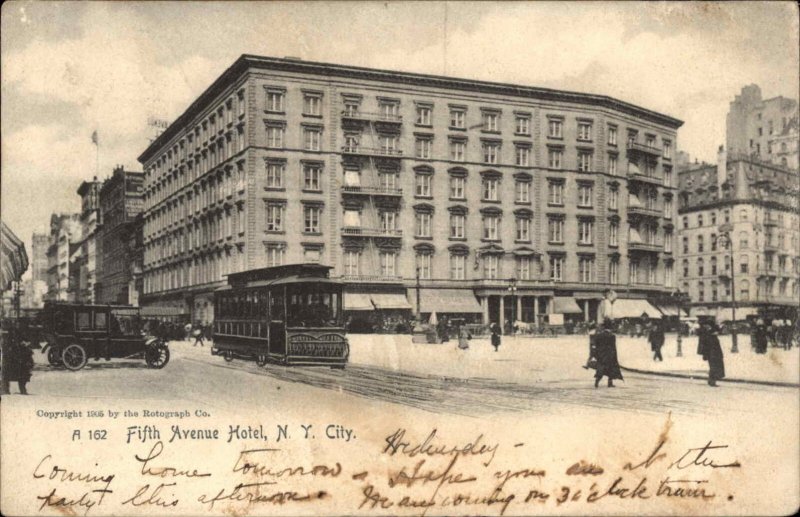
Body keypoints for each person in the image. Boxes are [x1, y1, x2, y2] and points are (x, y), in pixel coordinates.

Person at [591, 318, 623, 388]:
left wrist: (596, 354)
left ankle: (597, 381)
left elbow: (595, 345)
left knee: (600, 368)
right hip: (609, 355)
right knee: (610, 368)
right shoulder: (612, 336)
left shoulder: (599, 335)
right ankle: (610, 383)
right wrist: (614, 356)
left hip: (601, 355)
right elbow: (613, 347)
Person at [697, 322, 725, 387]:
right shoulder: (708, 336)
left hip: (714, 354)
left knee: (714, 367)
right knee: (713, 367)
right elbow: (705, 345)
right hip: (712, 354)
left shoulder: (710, 335)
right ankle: (712, 381)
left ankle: (711, 381)